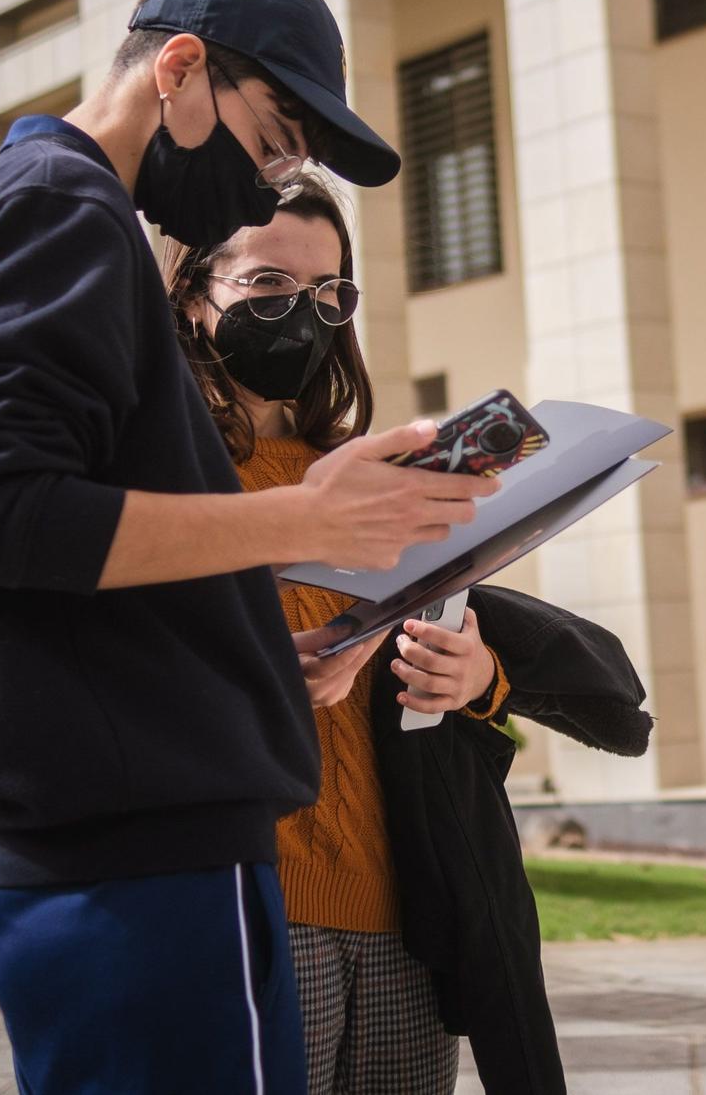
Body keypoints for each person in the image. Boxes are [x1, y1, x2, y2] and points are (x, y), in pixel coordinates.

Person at [0, 0, 499, 1091]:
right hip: (139, 861)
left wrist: (245, 641)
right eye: (273, 142)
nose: (268, 184)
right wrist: (303, 515)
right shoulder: (58, 202)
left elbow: (63, 537)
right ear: (179, 69)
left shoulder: (68, 210)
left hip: (138, 850)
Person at [162, 178, 654, 1093]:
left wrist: (477, 675)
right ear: (193, 296)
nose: (300, 316)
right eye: (267, 285)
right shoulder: (158, 476)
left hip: (406, 921)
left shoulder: (372, 475)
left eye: (326, 293)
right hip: (250, 910)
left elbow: (424, 648)